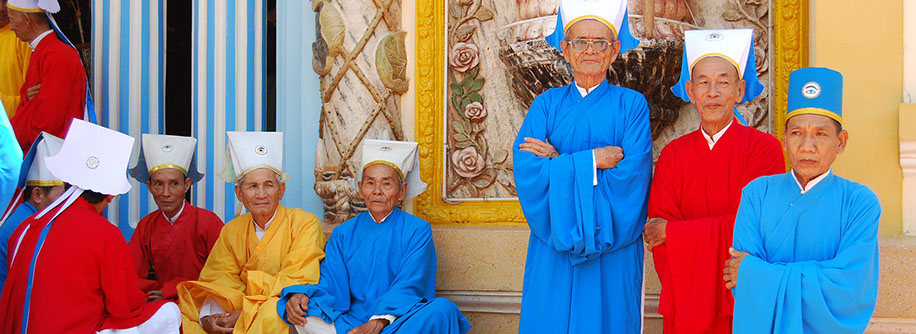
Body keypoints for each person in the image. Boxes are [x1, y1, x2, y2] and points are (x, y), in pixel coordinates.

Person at [512, 0, 653, 332]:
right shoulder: (545, 105)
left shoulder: (631, 105)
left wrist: (559, 163)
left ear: (615, 49)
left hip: (611, 244)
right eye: (580, 41)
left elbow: (631, 178)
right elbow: (529, 171)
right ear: (565, 47)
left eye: (600, 42)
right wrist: (592, 161)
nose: (590, 50)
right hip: (554, 242)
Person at [644, 29, 785, 334]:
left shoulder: (765, 149)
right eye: (703, 83)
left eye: (723, 82)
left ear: (739, 90)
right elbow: (657, 232)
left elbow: (757, 227)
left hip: (740, 294)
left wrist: (676, 233)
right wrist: (677, 234)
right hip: (686, 300)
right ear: (690, 90)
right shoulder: (672, 155)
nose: (712, 93)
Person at [726, 67, 881, 333]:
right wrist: (754, 274)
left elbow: (848, 287)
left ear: (841, 142)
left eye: (821, 134)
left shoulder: (859, 202)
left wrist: (759, 273)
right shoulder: (756, 193)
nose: (807, 146)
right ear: (784, 139)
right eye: (797, 133)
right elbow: (742, 284)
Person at [0, 119, 181, 333]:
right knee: (169, 312)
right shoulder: (105, 233)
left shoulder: (27, 226)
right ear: (111, 195)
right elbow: (125, 306)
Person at [278, 139, 471, 334]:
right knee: (302, 310)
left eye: (386, 184)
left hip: (398, 322)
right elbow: (330, 283)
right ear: (361, 189)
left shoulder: (417, 229)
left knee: (443, 310)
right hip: (350, 322)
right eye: (370, 183)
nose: (377, 191)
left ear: (402, 191)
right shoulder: (343, 233)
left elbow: (410, 284)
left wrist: (379, 321)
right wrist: (301, 295)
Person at [177, 131, 326, 334]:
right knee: (192, 317)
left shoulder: (304, 223)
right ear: (240, 193)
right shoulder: (231, 230)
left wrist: (248, 309)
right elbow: (219, 278)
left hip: (278, 305)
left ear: (281, 190)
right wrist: (216, 317)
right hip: (239, 306)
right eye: (252, 186)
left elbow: (298, 279)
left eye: (269, 185)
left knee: (275, 316)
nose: (261, 194)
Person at [127, 134, 224, 303]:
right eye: (158, 184)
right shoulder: (146, 225)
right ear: (149, 187)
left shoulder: (209, 222)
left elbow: (223, 275)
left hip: (203, 302)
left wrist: (173, 289)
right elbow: (130, 273)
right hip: (163, 302)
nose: (166, 193)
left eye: (174, 184)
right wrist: (158, 292)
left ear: (186, 185)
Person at [6, 0, 91, 152]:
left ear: (27, 19)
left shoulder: (57, 55)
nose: (11, 27)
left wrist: (12, 142)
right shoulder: (44, 52)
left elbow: (48, 124)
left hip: (50, 160)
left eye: (12, 20)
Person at [0, 132, 65, 295]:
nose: (67, 201)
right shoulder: (27, 227)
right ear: (37, 195)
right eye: (62, 194)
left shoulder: (26, 218)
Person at [0, 0, 31, 118]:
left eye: (6, 1)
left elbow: (32, 98)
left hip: (15, 128)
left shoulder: (22, 36)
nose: (2, 8)